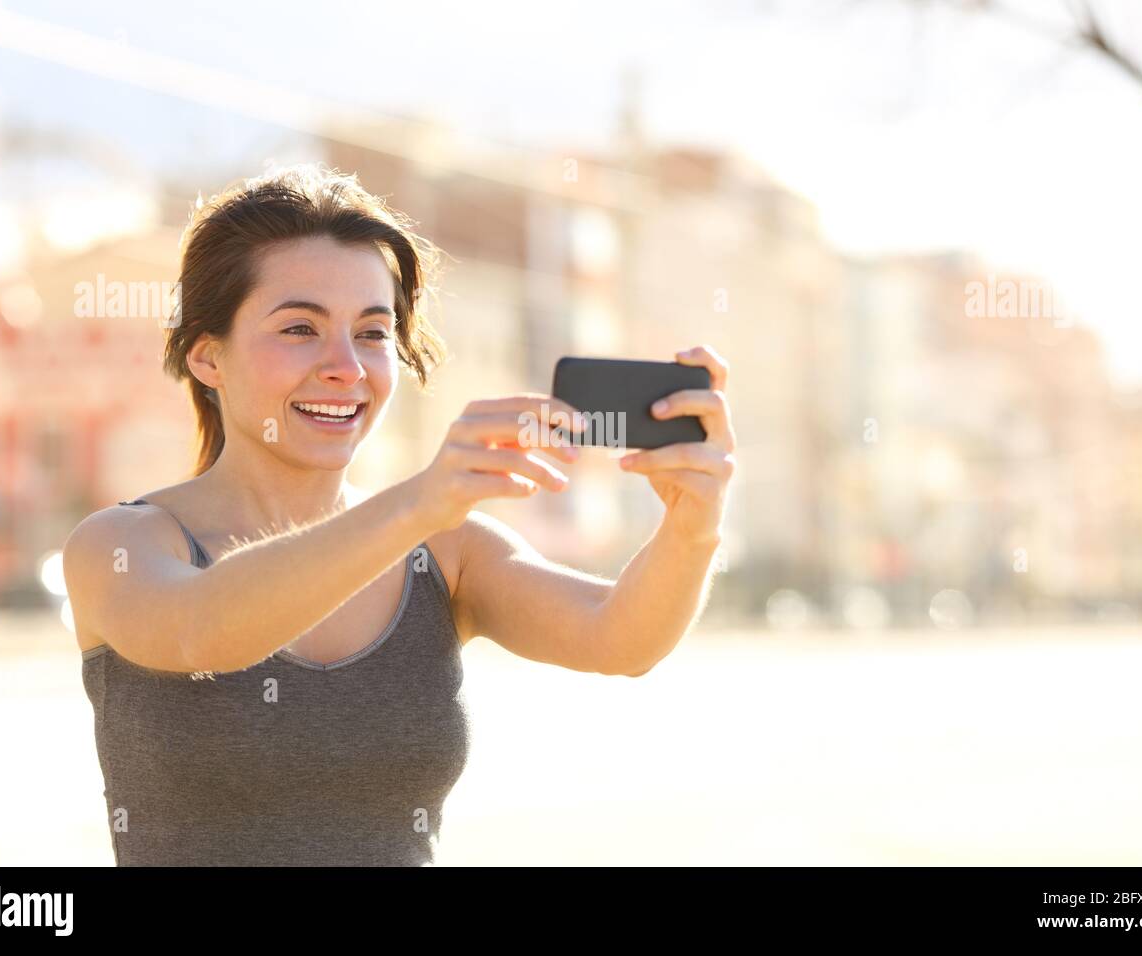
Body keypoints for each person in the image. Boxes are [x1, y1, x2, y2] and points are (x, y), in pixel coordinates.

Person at [62, 162, 737, 866]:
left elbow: (620, 638)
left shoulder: (446, 548)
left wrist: (694, 525)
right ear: (206, 357)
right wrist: (417, 503)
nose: (346, 367)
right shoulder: (123, 544)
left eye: (373, 332)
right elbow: (201, 633)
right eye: (299, 328)